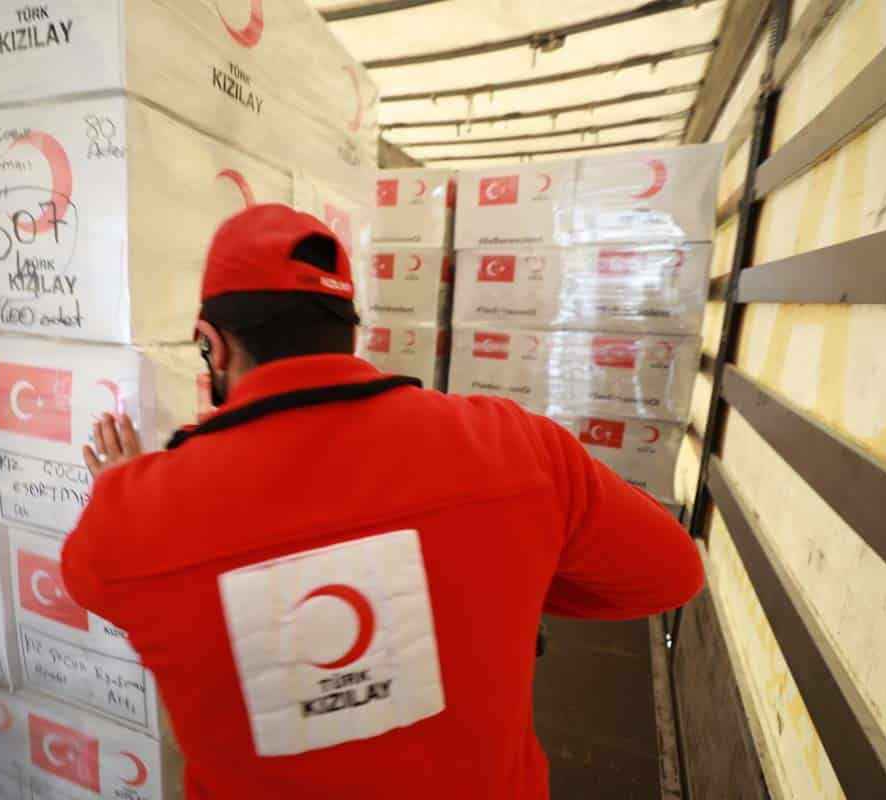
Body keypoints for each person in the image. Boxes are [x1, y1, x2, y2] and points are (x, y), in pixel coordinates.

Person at [62, 203, 704, 799]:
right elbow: (671, 572)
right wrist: (508, 572)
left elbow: (98, 584)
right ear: (349, 333)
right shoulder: (513, 446)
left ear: (213, 344)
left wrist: (127, 485)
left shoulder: (137, 515)